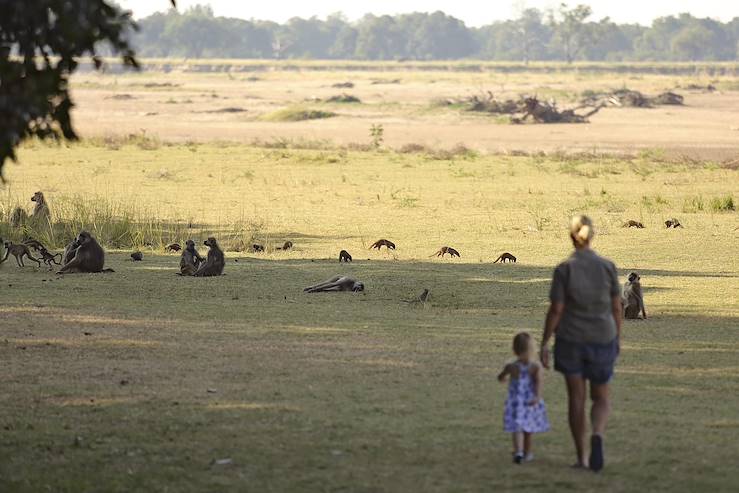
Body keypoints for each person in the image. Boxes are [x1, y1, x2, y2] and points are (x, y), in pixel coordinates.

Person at [540, 215, 622, 472]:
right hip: (602, 338)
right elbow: (617, 308)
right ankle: (598, 433)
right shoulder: (608, 266)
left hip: (571, 340)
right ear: (591, 235)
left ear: (571, 236)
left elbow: (556, 309)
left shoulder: (564, 268)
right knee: (601, 398)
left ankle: (582, 458)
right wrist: (616, 338)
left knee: (576, 399)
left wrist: (544, 342)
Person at [498, 332, 550, 464]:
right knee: (528, 429)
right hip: (529, 401)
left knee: (517, 428)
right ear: (532, 349)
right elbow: (538, 383)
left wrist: (503, 378)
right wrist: (537, 397)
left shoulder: (511, 366)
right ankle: (527, 453)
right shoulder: (535, 366)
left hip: (515, 402)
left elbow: (501, 376)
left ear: (514, 349)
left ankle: (518, 451)